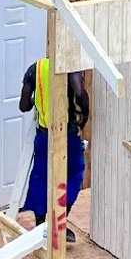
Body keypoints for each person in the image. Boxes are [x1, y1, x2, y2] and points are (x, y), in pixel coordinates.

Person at [19, 59, 88, 242]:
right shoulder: (69, 67)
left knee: (41, 176)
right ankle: (59, 222)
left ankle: (41, 223)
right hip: (68, 134)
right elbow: (80, 93)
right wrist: (85, 116)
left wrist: (38, 99)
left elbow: (24, 105)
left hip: (43, 134)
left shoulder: (36, 68)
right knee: (74, 173)